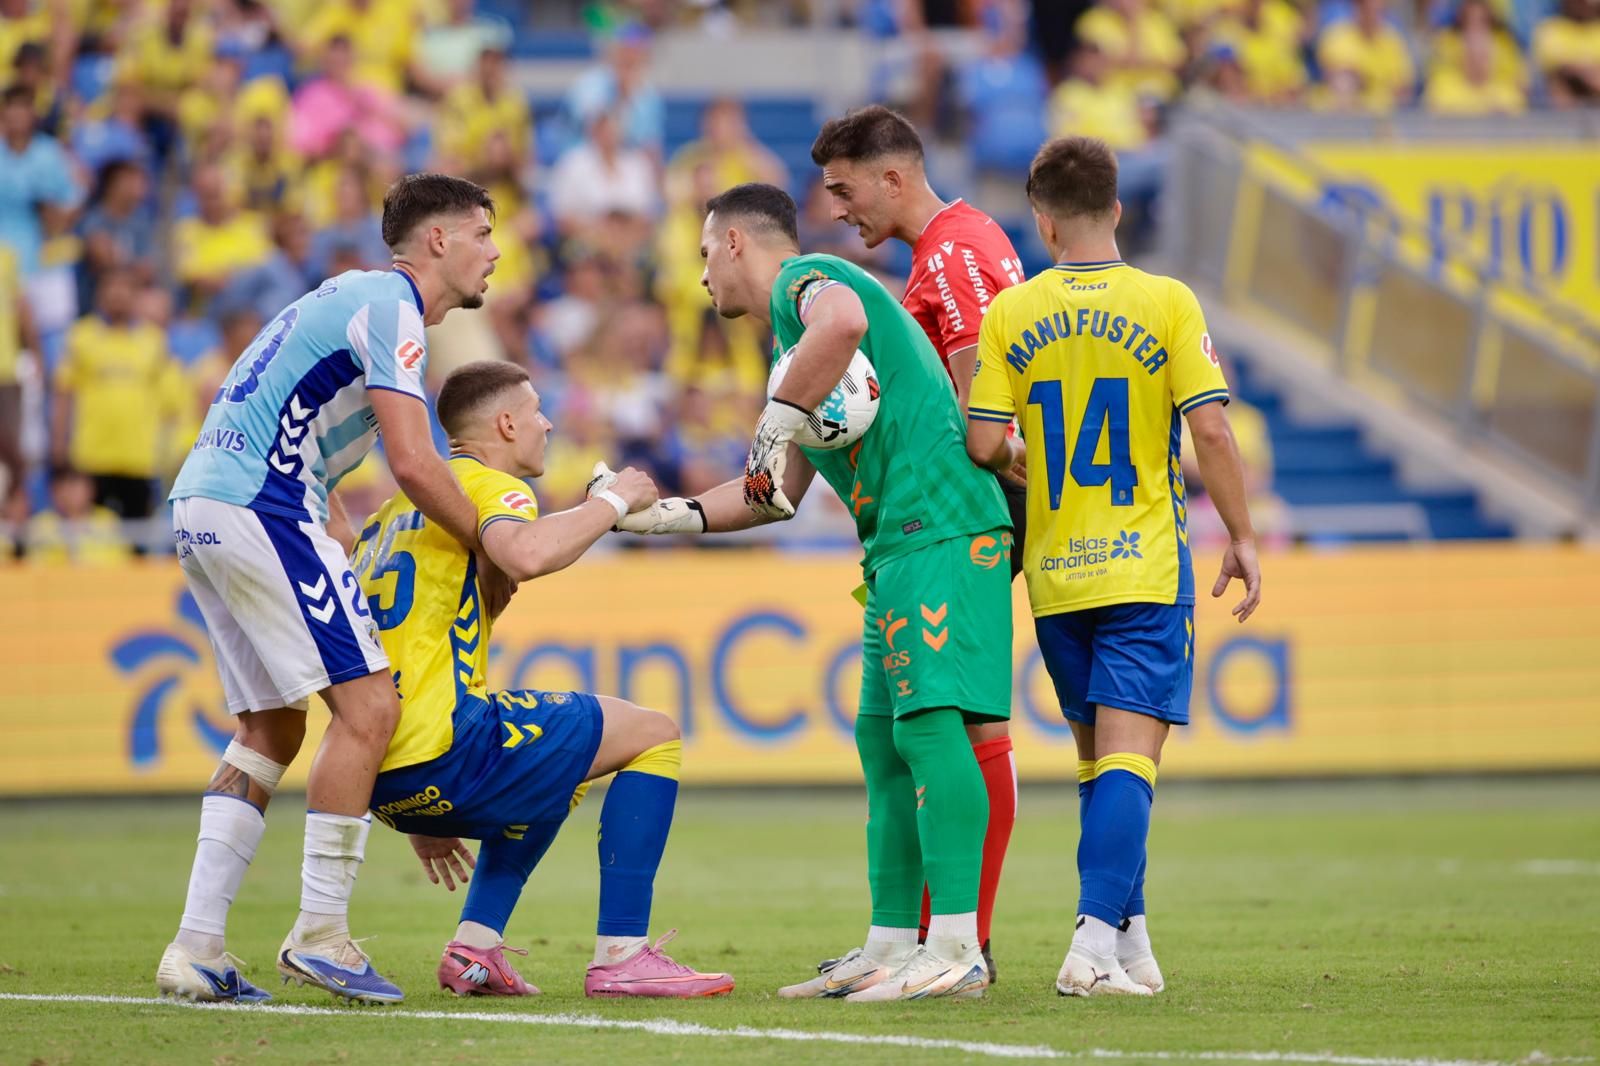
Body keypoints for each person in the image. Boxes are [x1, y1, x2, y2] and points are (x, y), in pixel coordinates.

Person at [592, 182, 1013, 1001]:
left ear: (739, 243)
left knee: (928, 732)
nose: (702, 273)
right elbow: (769, 492)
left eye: (706, 251)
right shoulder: (792, 344)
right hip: (897, 544)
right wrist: (651, 520)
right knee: (882, 741)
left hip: (945, 527)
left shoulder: (807, 281)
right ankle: (891, 944)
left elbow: (846, 322)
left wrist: (777, 416)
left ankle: (957, 947)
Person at [155, 174, 510, 1005]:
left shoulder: (351, 301)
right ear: (436, 242)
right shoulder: (391, 307)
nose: (494, 252)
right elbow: (416, 463)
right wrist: (492, 539)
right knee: (371, 709)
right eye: (483, 233)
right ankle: (320, 934)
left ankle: (196, 947)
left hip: (206, 505)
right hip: (260, 505)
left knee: (272, 726)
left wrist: (338, 542)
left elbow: (307, 443)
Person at [966, 137, 1262, 997]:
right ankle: (1092, 944)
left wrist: (1025, 459)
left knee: (1102, 768)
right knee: (1133, 764)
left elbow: (983, 439)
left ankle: (1129, 940)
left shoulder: (1011, 312)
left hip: (1058, 574)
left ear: (1043, 220)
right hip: (1142, 565)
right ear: (1119, 209)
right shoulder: (1166, 301)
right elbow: (1209, 429)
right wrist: (1242, 536)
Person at [357, 360, 735, 999]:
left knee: (559, 770)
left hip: (380, 767)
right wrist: (611, 502)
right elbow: (528, 553)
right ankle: (623, 956)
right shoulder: (489, 486)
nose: (548, 423)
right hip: (443, 744)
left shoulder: (393, 514)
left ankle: (475, 949)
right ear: (505, 423)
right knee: (653, 734)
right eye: (536, 411)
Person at [809, 104, 1025, 981]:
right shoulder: (962, 242)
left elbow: (984, 415)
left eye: (844, 188)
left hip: (960, 517)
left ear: (892, 176)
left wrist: (1003, 466)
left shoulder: (954, 250)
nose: (838, 209)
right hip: (940, 518)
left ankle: (961, 941)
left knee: (962, 727)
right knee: (931, 728)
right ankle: (929, 937)